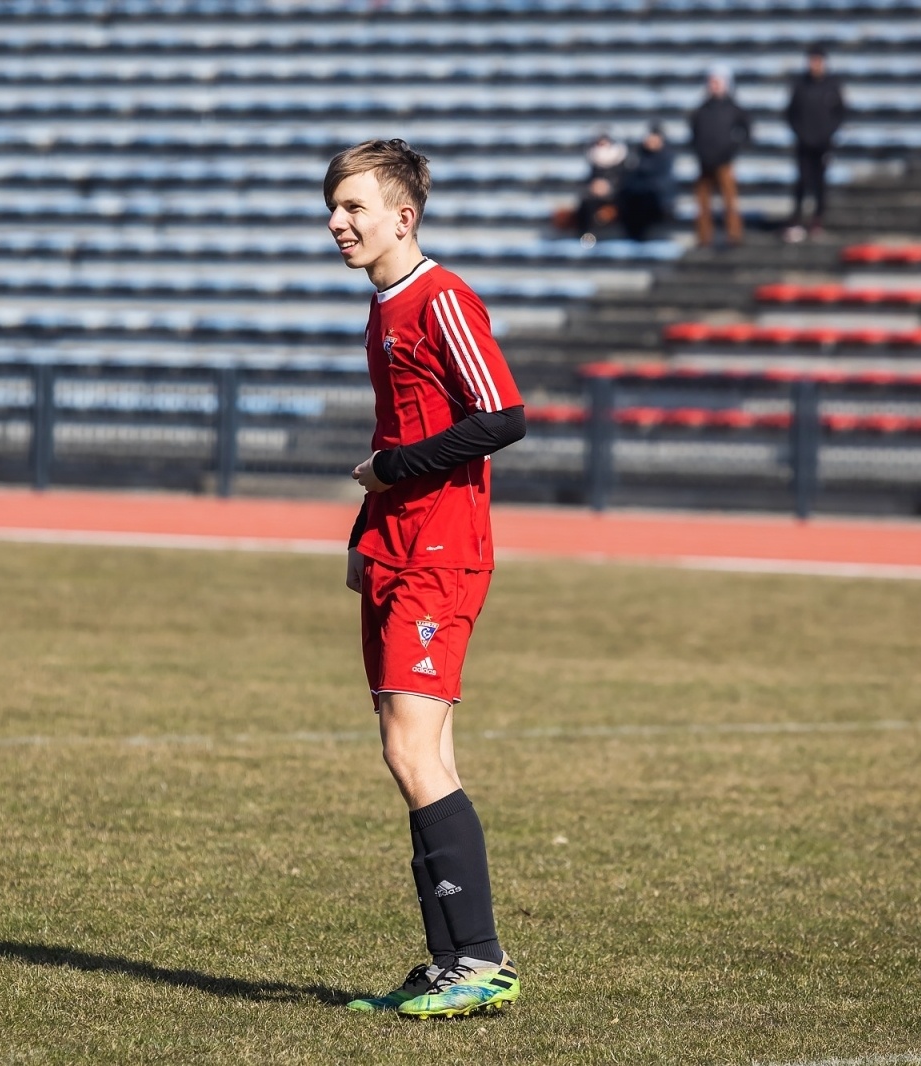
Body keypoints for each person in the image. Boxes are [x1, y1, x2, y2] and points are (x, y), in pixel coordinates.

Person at [324, 138, 527, 1020]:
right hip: (398, 548)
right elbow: (396, 436)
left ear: (403, 216)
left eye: (353, 207)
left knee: (413, 752)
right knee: (413, 752)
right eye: (333, 207)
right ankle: (454, 961)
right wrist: (369, 528)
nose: (337, 222)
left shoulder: (441, 298)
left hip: (443, 554)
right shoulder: (382, 308)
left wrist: (392, 472)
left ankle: (479, 958)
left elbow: (503, 416)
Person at [783, 45, 845, 242]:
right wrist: (800, 132)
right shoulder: (800, 85)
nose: (815, 65)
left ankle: (817, 219)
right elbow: (790, 113)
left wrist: (828, 133)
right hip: (804, 142)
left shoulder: (832, 85)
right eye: (812, 60)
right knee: (802, 181)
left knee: (820, 183)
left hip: (823, 143)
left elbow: (840, 113)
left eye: (818, 61)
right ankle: (797, 219)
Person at [688, 65, 751, 249]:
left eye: (717, 82)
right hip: (704, 162)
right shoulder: (701, 110)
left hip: (725, 161)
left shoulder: (734, 108)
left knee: (729, 201)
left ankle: (733, 235)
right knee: (703, 204)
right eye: (712, 82)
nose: (714, 86)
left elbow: (746, 131)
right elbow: (693, 134)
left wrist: (732, 149)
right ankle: (704, 237)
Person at [616, 123, 676, 241]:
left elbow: (662, 182)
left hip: (657, 198)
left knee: (645, 199)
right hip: (639, 196)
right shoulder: (639, 154)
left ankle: (640, 239)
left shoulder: (666, 156)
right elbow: (632, 177)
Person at [575, 132, 627, 246]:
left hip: (616, 197)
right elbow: (588, 180)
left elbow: (624, 181)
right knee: (586, 204)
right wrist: (593, 187)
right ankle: (587, 237)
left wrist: (609, 188)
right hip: (595, 198)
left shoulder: (621, 161)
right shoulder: (593, 162)